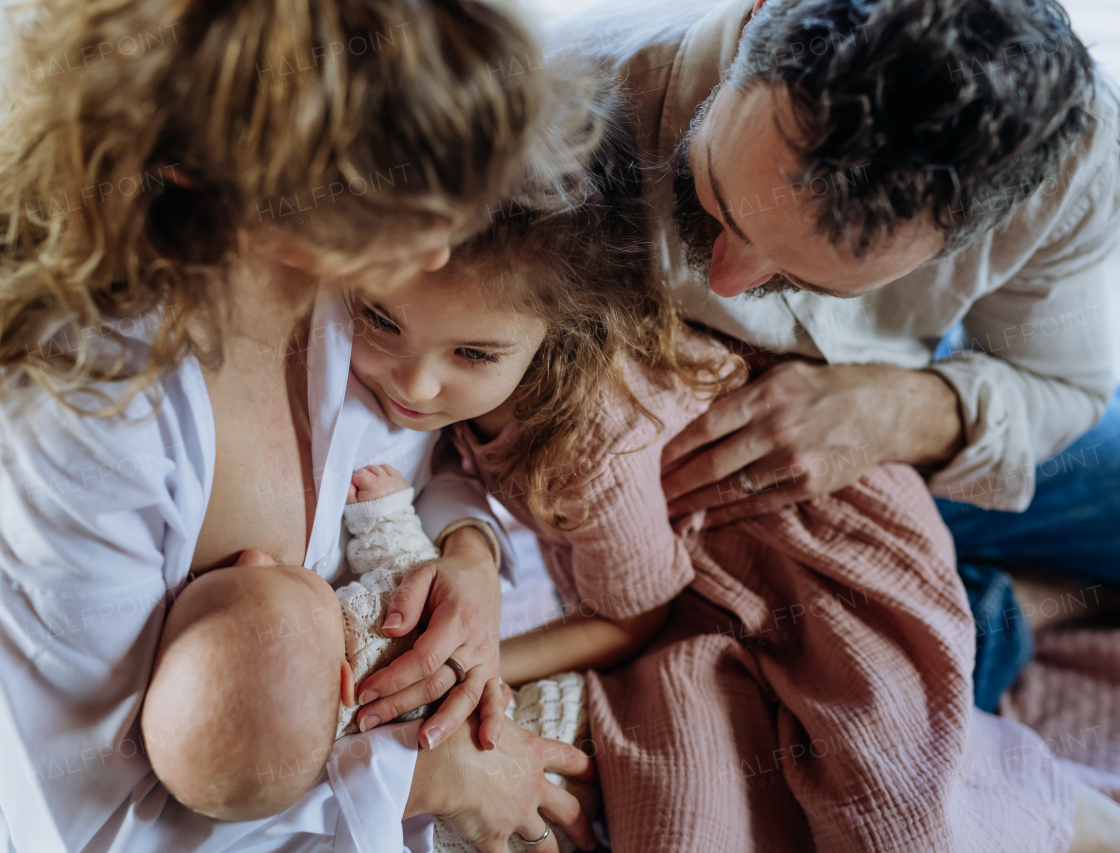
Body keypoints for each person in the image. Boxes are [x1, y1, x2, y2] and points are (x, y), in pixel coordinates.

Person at [0, 0, 604, 850]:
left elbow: (419, 461)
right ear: (209, 164)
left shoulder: (356, 280)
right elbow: (102, 825)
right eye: (400, 190)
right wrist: (426, 777)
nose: (443, 249)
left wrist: (468, 553)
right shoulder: (74, 415)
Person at [336, 195, 1120, 851]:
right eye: (379, 319)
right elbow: (451, 475)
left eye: (472, 354)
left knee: (889, 796)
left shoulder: (589, 450)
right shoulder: (460, 376)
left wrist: (489, 665)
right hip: (710, 563)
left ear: (555, 330)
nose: (415, 382)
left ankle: (1074, 813)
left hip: (819, 542)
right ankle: (1025, 601)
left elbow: (634, 614)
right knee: (705, 792)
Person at [545, 0, 1120, 709]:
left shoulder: (1075, 158)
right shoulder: (564, 97)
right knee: (845, 697)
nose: (725, 279)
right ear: (760, 12)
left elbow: (1061, 385)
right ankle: (1023, 606)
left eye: (804, 277)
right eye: (715, 198)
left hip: (917, 417)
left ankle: (1001, 602)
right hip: (687, 481)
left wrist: (902, 413)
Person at [140, 461, 596, 853]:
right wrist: (383, 509)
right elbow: (403, 564)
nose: (254, 557)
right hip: (543, 732)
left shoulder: (305, 759)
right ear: (345, 679)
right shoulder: (362, 628)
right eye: (286, 580)